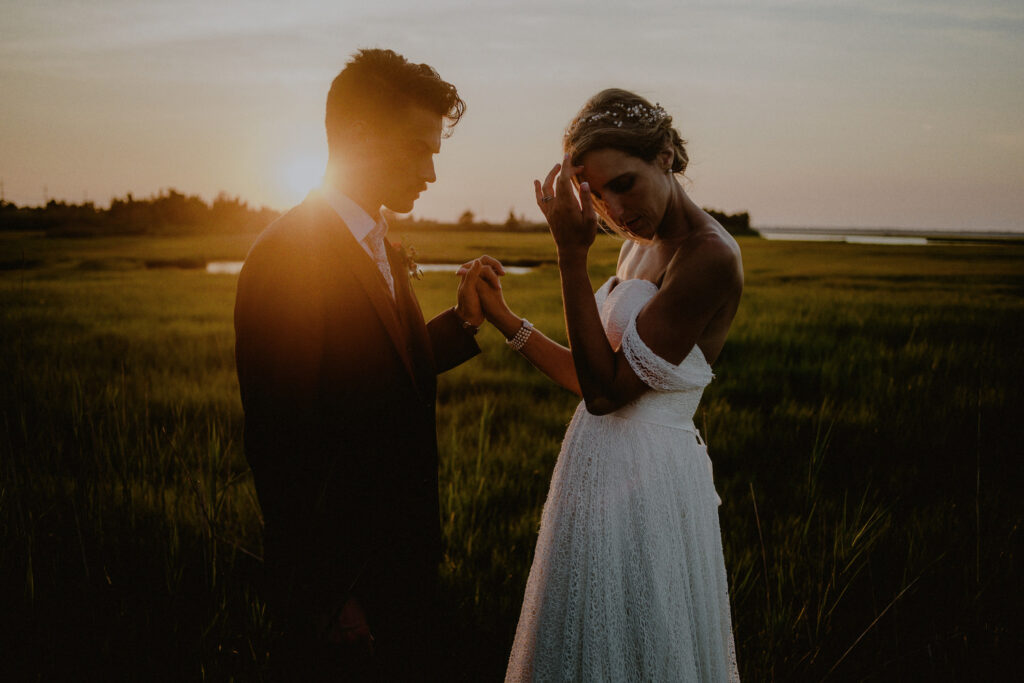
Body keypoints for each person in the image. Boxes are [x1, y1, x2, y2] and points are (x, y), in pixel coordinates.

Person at [234, 48, 500, 681]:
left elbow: (380, 374)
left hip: (401, 556)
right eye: (418, 148)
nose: (431, 172)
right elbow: (280, 444)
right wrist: (330, 595)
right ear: (358, 135)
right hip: (343, 579)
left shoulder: (376, 236)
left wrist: (462, 321)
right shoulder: (289, 254)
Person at [472, 89, 743, 681]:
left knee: (646, 647)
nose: (614, 209)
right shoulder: (634, 247)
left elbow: (604, 393)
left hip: (652, 486)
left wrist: (571, 254)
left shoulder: (708, 256)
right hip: (595, 467)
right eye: (594, 195)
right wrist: (506, 321)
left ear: (666, 156)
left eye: (623, 183)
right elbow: (591, 376)